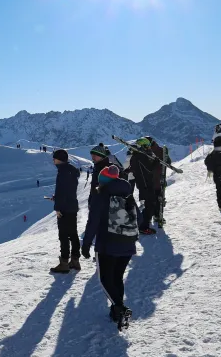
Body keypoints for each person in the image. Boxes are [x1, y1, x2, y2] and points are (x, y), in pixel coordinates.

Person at [81, 165, 139, 323]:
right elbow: (138, 218)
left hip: (107, 245)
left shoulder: (101, 196)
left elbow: (93, 222)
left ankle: (120, 307)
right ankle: (116, 312)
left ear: (103, 181)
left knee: (105, 279)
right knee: (117, 277)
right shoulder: (128, 194)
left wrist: (86, 245)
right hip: (127, 244)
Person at [49, 148, 81, 273]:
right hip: (72, 206)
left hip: (64, 208)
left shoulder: (62, 172)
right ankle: (75, 260)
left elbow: (62, 191)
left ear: (60, 159)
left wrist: (57, 207)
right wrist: (57, 198)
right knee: (73, 233)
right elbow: (68, 191)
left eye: (55, 158)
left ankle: (64, 263)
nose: (53, 160)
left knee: (63, 235)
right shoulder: (71, 171)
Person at [129, 137, 164, 234]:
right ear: (143, 146)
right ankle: (143, 227)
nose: (149, 147)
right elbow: (148, 170)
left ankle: (143, 225)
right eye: (147, 146)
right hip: (146, 184)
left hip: (143, 184)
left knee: (149, 205)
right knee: (150, 206)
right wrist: (156, 163)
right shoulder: (141, 156)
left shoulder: (135, 156)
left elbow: (135, 168)